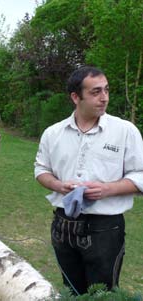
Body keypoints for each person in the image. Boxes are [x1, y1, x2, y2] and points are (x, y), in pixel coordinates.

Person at [34, 66, 143, 295]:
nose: (104, 98)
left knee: (103, 294)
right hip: (63, 225)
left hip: (105, 228)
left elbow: (140, 175)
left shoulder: (125, 131)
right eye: (95, 92)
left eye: (106, 90)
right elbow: (41, 169)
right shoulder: (53, 133)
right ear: (76, 97)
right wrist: (57, 185)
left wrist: (107, 189)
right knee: (72, 291)